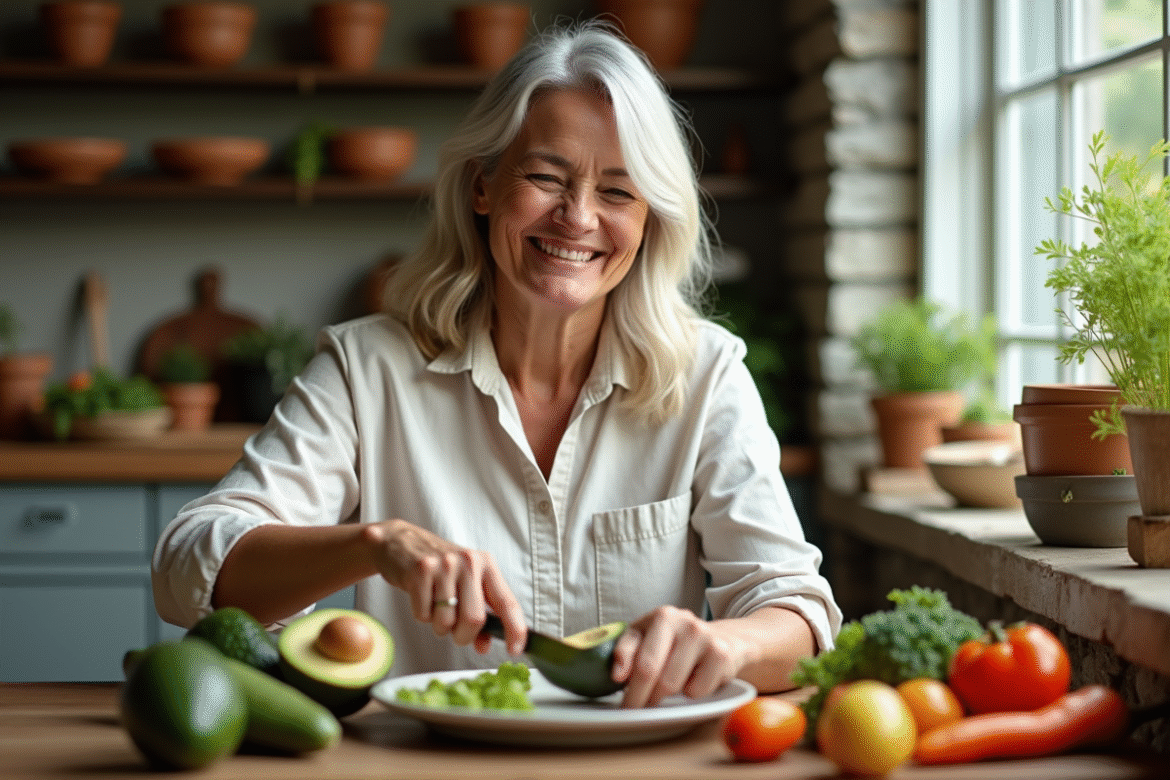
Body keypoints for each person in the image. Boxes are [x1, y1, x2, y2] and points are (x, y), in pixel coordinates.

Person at [153, 21, 841, 709]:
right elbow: (188, 566)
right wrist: (377, 543)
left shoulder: (706, 374)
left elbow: (798, 612)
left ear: (650, 219)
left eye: (618, 192)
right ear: (483, 187)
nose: (577, 217)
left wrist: (729, 644)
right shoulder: (368, 369)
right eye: (546, 178)